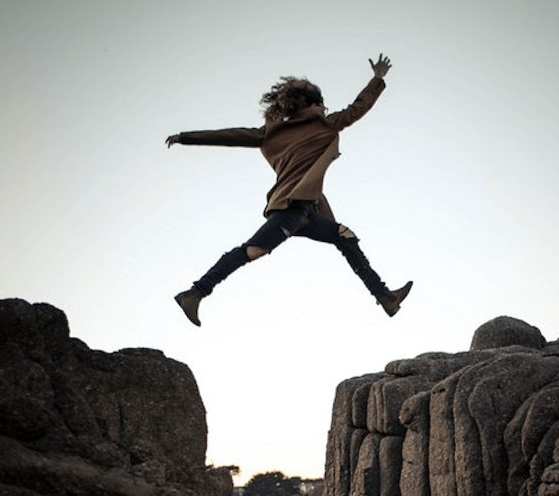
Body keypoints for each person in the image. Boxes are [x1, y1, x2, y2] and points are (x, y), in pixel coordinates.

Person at [166, 53, 412, 327]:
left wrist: (186, 137)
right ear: (313, 103)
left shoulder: (271, 133)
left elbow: (229, 135)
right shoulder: (323, 124)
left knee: (345, 237)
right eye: (320, 102)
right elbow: (358, 108)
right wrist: (377, 78)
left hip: (305, 211)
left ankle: (385, 297)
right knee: (252, 250)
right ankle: (196, 293)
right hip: (290, 210)